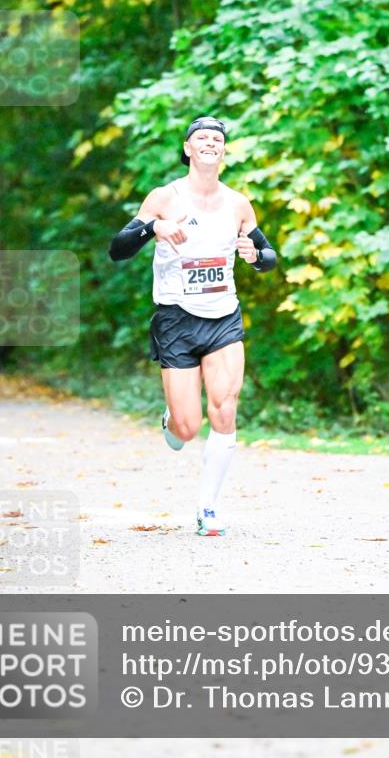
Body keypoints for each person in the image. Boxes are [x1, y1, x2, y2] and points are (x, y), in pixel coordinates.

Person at [109, 117, 277, 536]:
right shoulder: (165, 198)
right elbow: (118, 249)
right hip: (176, 320)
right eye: (201, 138)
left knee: (225, 408)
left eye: (217, 139)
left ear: (223, 152)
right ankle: (173, 419)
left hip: (223, 317)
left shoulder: (238, 203)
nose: (210, 143)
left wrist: (256, 258)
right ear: (188, 149)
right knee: (188, 427)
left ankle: (208, 507)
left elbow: (268, 254)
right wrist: (153, 228)